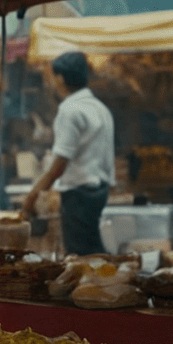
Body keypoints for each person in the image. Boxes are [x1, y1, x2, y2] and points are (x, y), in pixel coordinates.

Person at [21, 51, 114, 256]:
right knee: (92, 253)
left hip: (79, 195)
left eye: (53, 77)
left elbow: (59, 165)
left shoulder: (70, 110)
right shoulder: (100, 109)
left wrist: (32, 197)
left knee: (82, 257)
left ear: (60, 78)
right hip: (99, 191)